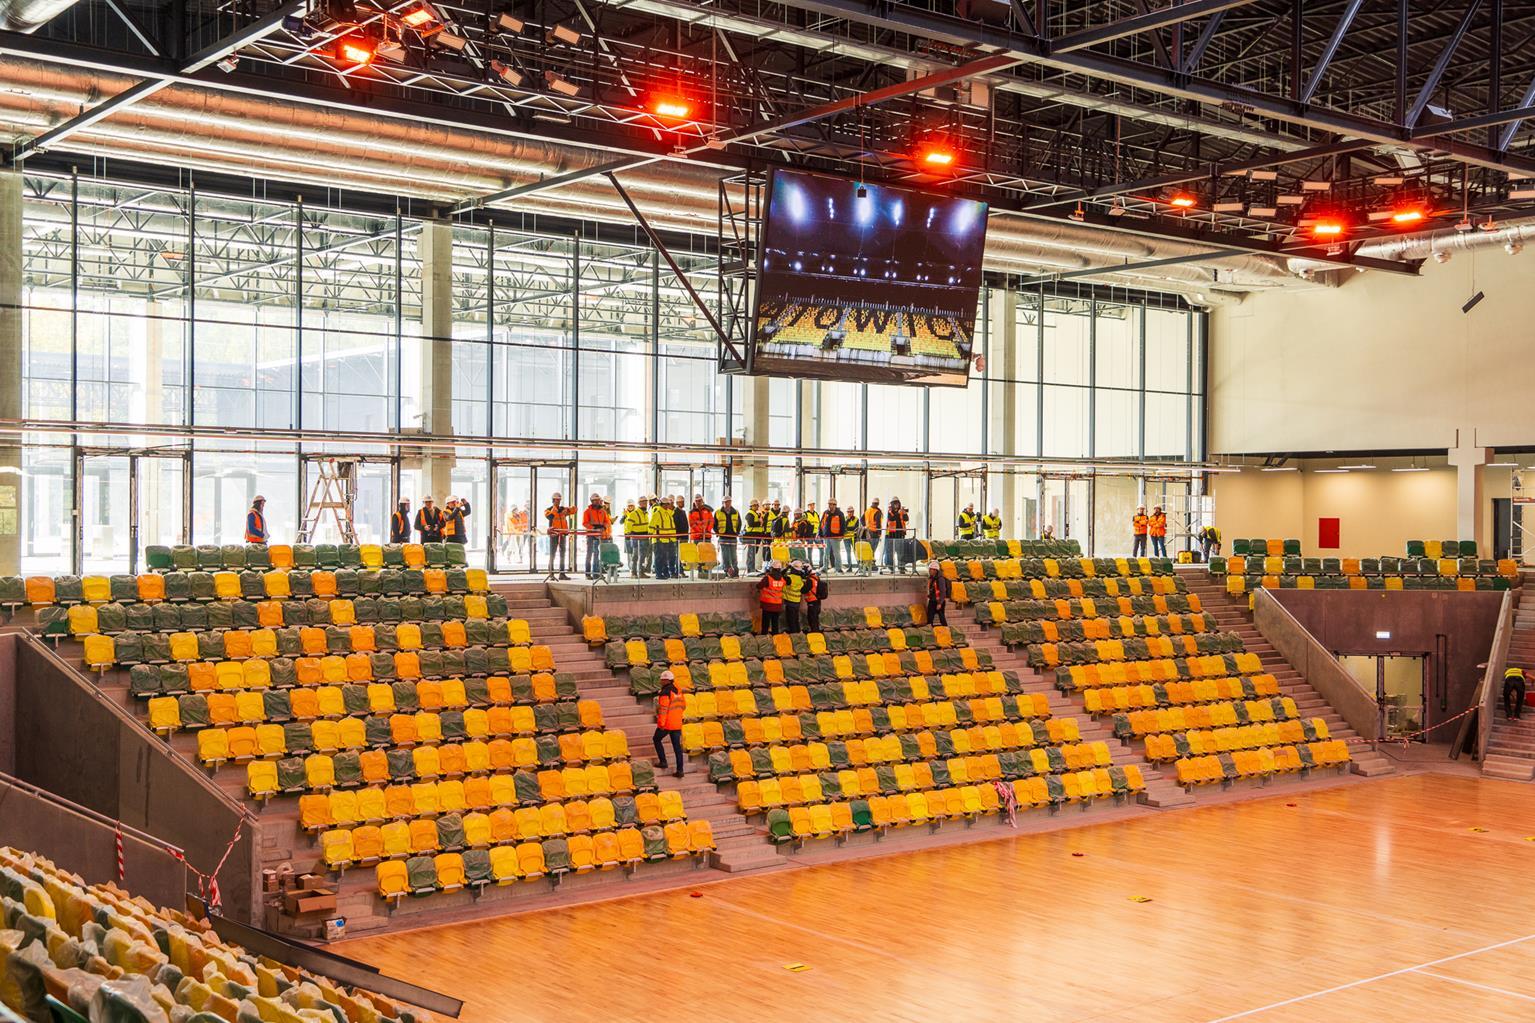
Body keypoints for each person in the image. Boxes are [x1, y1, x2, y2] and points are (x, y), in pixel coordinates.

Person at [652, 671, 686, 778]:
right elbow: (684, 706)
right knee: (677, 747)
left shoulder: (665, 693)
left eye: (662, 679)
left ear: (666, 680)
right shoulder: (678, 691)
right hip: (677, 723)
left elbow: (663, 709)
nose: (661, 681)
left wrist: (661, 723)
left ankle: (663, 761)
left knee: (656, 739)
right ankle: (680, 770)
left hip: (667, 723)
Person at [582, 493, 611, 579]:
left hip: (599, 535)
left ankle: (595, 573)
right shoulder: (587, 512)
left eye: (598, 500)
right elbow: (585, 523)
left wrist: (603, 527)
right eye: (595, 501)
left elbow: (607, 521)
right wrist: (594, 528)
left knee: (597, 554)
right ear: (592, 501)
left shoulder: (603, 511)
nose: (597, 502)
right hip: (591, 535)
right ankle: (587, 573)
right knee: (589, 554)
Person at [545, 493, 572, 580]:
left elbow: (574, 510)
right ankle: (551, 574)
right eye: (556, 500)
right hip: (554, 534)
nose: (558, 501)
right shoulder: (548, 510)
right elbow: (550, 517)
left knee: (562, 554)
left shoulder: (562, 509)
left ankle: (562, 573)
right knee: (552, 554)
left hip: (563, 534)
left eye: (559, 500)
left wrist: (567, 509)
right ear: (553, 500)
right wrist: (555, 509)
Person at [650, 496, 677, 579]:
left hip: (667, 539)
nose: (667, 506)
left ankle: (665, 573)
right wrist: (651, 537)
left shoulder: (667, 513)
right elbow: (651, 526)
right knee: (659, 558)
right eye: (666, 504)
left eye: (668, 504)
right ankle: (658, 574)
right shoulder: (657, 513)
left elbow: (673, 511)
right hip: (659, 540)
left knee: (665, 558)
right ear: (661, 504)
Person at [715, 496, 742, 577]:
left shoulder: (736, 512)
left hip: (733, 537)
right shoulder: (718, 512)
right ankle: (727, 571)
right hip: (723, 537)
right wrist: (718, 532)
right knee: (725, 555)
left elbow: (739, 523)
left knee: (734, 556)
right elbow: (714, 524)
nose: (728, 503)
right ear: (723, 503)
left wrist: (736, 532)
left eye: (729, 502)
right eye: (726, 502)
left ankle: (735, 571)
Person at [756, 560, 786, 634]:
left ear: (771, 568)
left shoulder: (768, 578)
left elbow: (759, 586)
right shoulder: (782, 579)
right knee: (775, 623)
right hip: (777, 605)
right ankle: (775, 637)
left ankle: (764, 637)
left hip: (767, 605)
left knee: (765, 623)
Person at [626, 496, 652, 578]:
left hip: (645, 537)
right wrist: (629, 534)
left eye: (646, 502)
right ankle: (633, 573)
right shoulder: (634, 514)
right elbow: (628, 526)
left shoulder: (646, 514)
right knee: (635, 556)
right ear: (639, 503)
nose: (645, 503)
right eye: (643, 502)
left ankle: (641, 572)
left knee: (643, 556)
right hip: (636, 538)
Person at [820, 499, 847, 572]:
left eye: (831, 504)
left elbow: (843, 525)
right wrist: (820, 533)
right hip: (826, 537)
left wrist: (841, 535)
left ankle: (838, 568)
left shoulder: (840, 514)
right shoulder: (826, 513)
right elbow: (822, 523)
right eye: (829, 504)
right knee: (826, 553)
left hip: (835, 537)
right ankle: (825, 567)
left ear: (834, 505)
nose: (829, 506)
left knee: (836, 553)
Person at [744, 499, 770, 574]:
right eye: (754, 505)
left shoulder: (756, 513)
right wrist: (760, 523)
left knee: (754, 553)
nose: (756, 507)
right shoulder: (749, 514)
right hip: (752, 536)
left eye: (757, 505)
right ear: (751, 506)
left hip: (757, 536)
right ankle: (750, 569)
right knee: (751, 554)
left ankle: (752, 568)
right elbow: (751, 523)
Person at [884, 498, 909, 573]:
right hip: (891, 535)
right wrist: (898, 513)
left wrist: (904, 513)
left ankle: (901, 567)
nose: (896, 505)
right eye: (895, 503)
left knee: (901, 551)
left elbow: (906, 519)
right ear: (892, 504)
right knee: (890, 552)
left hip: (900, 534)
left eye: (897, 503)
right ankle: (891, 567)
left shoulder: (901, 511)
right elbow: (891, 519)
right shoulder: (889, 511)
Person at [781, 558, 806, 633]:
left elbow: (780, 574)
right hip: (797, 601)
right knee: (796, 619)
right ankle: (798, 632)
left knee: (791, 620)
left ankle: (794, 634)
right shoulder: (801, 578)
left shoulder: (789, 578)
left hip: (789, 601)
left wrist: (787, 567)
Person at [925, 561, 951, 626]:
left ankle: (946, 631)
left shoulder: (940, 579)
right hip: (932, 601)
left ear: (935, 570)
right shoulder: (931, 578)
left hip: (939, 601)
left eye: (930, 569)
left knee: (942, 618)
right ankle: (931, 632)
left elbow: (943, 592)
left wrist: (940, 603)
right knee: (929, 618)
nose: (929, 571)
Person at [803, 561, 826, 632]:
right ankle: (816, 631)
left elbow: (803, 590)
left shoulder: (810, 580)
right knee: (815, 618)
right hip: (817, 601)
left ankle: (815, 633)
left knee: (812, 618)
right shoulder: (816, 578)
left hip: (812, 601)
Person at [670, 496, 690, 574]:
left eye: (683, 501)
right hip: (679, 537)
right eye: (681, 502)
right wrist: (678, 536)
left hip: (684, 536)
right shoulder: (675, 512)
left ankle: (681, 570)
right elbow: (677, 525)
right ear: (677, 503)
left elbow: (685, 525)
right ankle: (679, 570)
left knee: (682, 555)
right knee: (678, 555)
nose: (683, 503)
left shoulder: (683, 512)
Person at [803, 502, 821, 567]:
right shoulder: (805, 514)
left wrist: (819, 533)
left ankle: (821, 564)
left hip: (816, 535)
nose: (812, 506)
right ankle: (810, 565)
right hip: (809, 535)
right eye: (810, 505)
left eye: (813, 505)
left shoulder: (816, 514)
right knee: (810, 551)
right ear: (808, 506)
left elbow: (819, 524)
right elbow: (803, 524)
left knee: (821, 549)